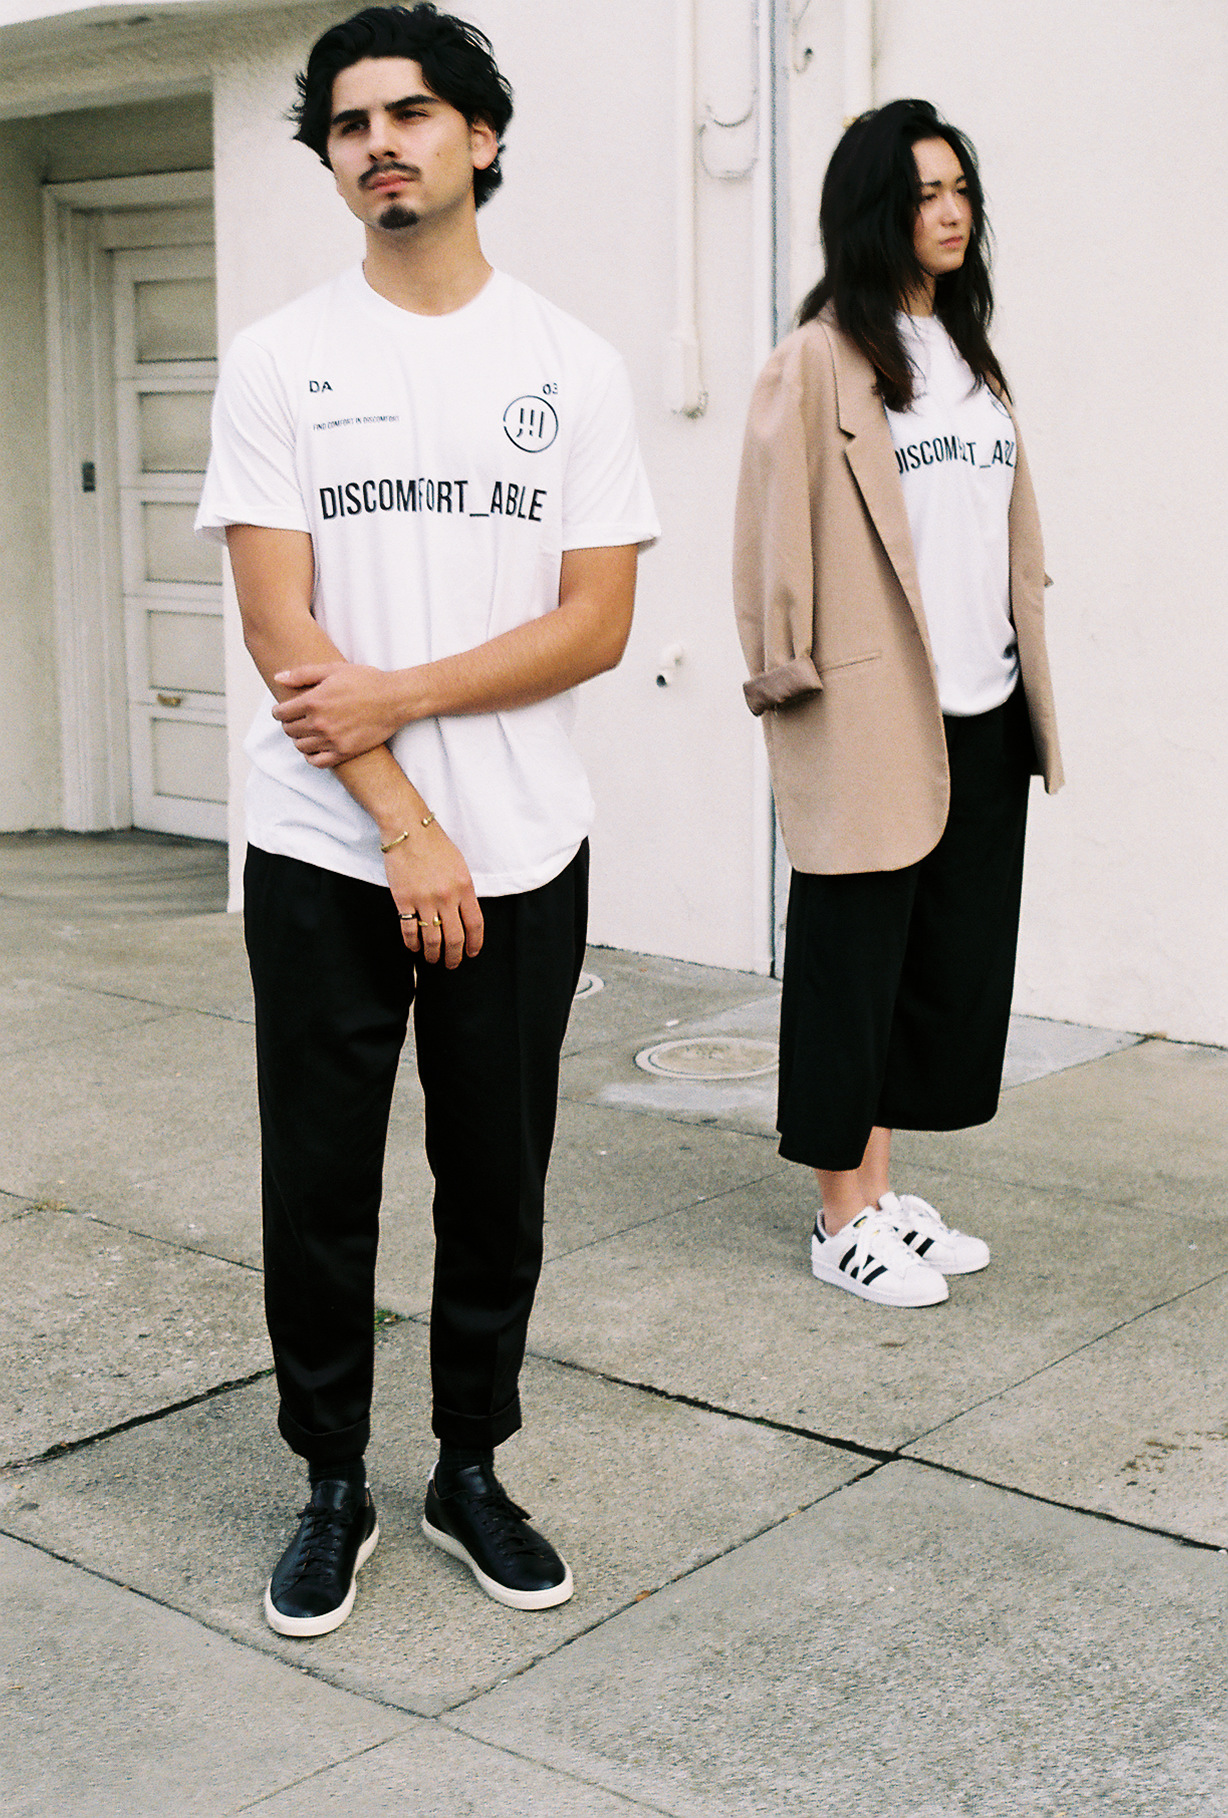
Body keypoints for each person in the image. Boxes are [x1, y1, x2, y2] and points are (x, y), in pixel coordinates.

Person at [195, 2, 658, 1635]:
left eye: (408, 113)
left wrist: (400, 698)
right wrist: (400, 817)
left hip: (521, 845)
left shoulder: (571, 365)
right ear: (330, 161)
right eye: (348, 123)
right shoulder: (280, 359)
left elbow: (594, 621)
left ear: (479, 135)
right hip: (329, 845)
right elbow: (282, 627)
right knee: (320, 1183)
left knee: (496, 1179)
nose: (377, 142)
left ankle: (471, 1464)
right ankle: (332, 1477)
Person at [733, 99, 1062, 1310]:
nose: (950, 211)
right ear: (875, 210)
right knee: (852, 966)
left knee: (932, 969)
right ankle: (839, 1216)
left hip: (986, 706)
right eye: (925, 193)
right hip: (873, 715)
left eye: (960, 188)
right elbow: (769, 538)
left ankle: (878, 1195)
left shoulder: (971, 358)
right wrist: (787, 687)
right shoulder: (820, 359)